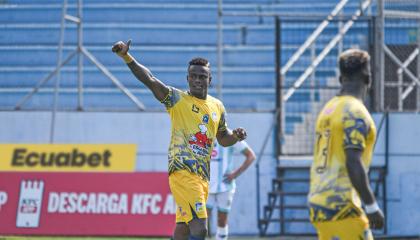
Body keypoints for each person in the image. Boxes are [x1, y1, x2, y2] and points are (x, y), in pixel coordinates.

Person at [112, 40, 247, 240]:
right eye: (194, 76)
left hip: (202, 177)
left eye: (203, 76)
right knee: (200, 229)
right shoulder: (177, 100)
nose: (198, 80)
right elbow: (149, 79)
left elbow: (223, 138)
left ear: (210, 80)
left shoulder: (217, 106)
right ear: (187, 78)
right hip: (183, 173)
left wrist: (235, 137)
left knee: (183, 230)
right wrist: (126, 57)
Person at [308, 49, 385, 239]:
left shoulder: (328, 108)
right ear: (368, 78)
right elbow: (353, 162)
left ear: (341, 78)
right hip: (343, 206)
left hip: (318, 205)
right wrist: (372, 206)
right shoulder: (356, 112)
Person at [206, 140, 256, 240]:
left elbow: (251, 156)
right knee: (201, 221)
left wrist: (235, 174)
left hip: (225, 186)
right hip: (205, 187)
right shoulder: (203, 132)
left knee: (222, 220)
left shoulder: (230, 136)